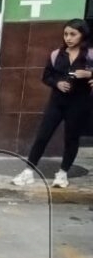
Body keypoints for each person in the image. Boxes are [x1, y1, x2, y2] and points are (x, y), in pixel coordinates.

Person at [12, 19, 93, 189]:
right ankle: (28, 172)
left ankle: (62, 173)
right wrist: (57, 83)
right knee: (43, 136)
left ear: (82, 35)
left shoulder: (90, 55)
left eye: (73, 34)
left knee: (71, 138)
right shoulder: (57, 54)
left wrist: (88, 76)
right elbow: (46, 76)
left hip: (79, 103)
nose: (68, 38)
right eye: (66, 34)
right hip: (57, 102)